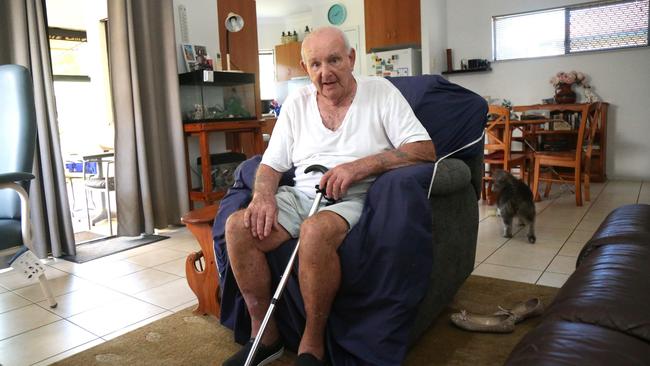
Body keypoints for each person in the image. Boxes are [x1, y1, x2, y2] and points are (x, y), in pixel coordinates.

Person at [223, 26, 436, 366]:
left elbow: (424, 150)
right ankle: (264, 335)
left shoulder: (381, 92)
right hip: (301, 194)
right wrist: (263, 196)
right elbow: (270, 165)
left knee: (316, 230)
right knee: (238, 226)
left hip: (354, 197)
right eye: (315, 64)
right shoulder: (297, 103)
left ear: (351, 59)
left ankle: (312, 344)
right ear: (306, 68)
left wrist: (359, 167)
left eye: (334, 60)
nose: (325, 73)